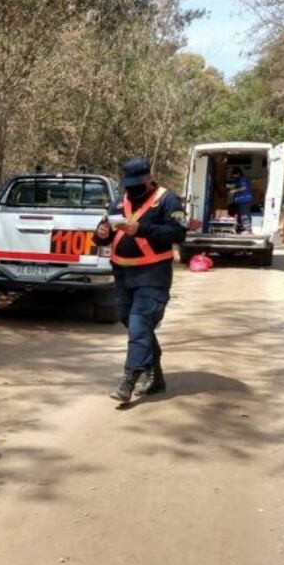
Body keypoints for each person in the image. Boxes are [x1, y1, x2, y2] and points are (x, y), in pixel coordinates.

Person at [93, 158, 188, 404]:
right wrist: (100, 235)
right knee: (134, 324)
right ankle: (155, 376)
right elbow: (104, 234)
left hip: (153, 274)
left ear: (149, 177)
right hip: (122, 275)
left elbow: (179, 233)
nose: (132, 189)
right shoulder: (118, 200)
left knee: (139, 325)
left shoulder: (168, 200)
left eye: (137, 184)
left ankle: (129, 379)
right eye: (129, 184)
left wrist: (142, 228)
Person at [227, 168, 254, 234]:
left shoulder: (242, 179)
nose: (233, 177)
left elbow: (244, 187)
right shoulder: (237, 181)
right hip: (240, 202)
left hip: (245, 201)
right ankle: (240, 229)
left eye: (234, 175)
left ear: (238, 174)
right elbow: (234, 186)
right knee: (240, 216)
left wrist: (234, 190)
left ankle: (248, 230)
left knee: (244, 215)